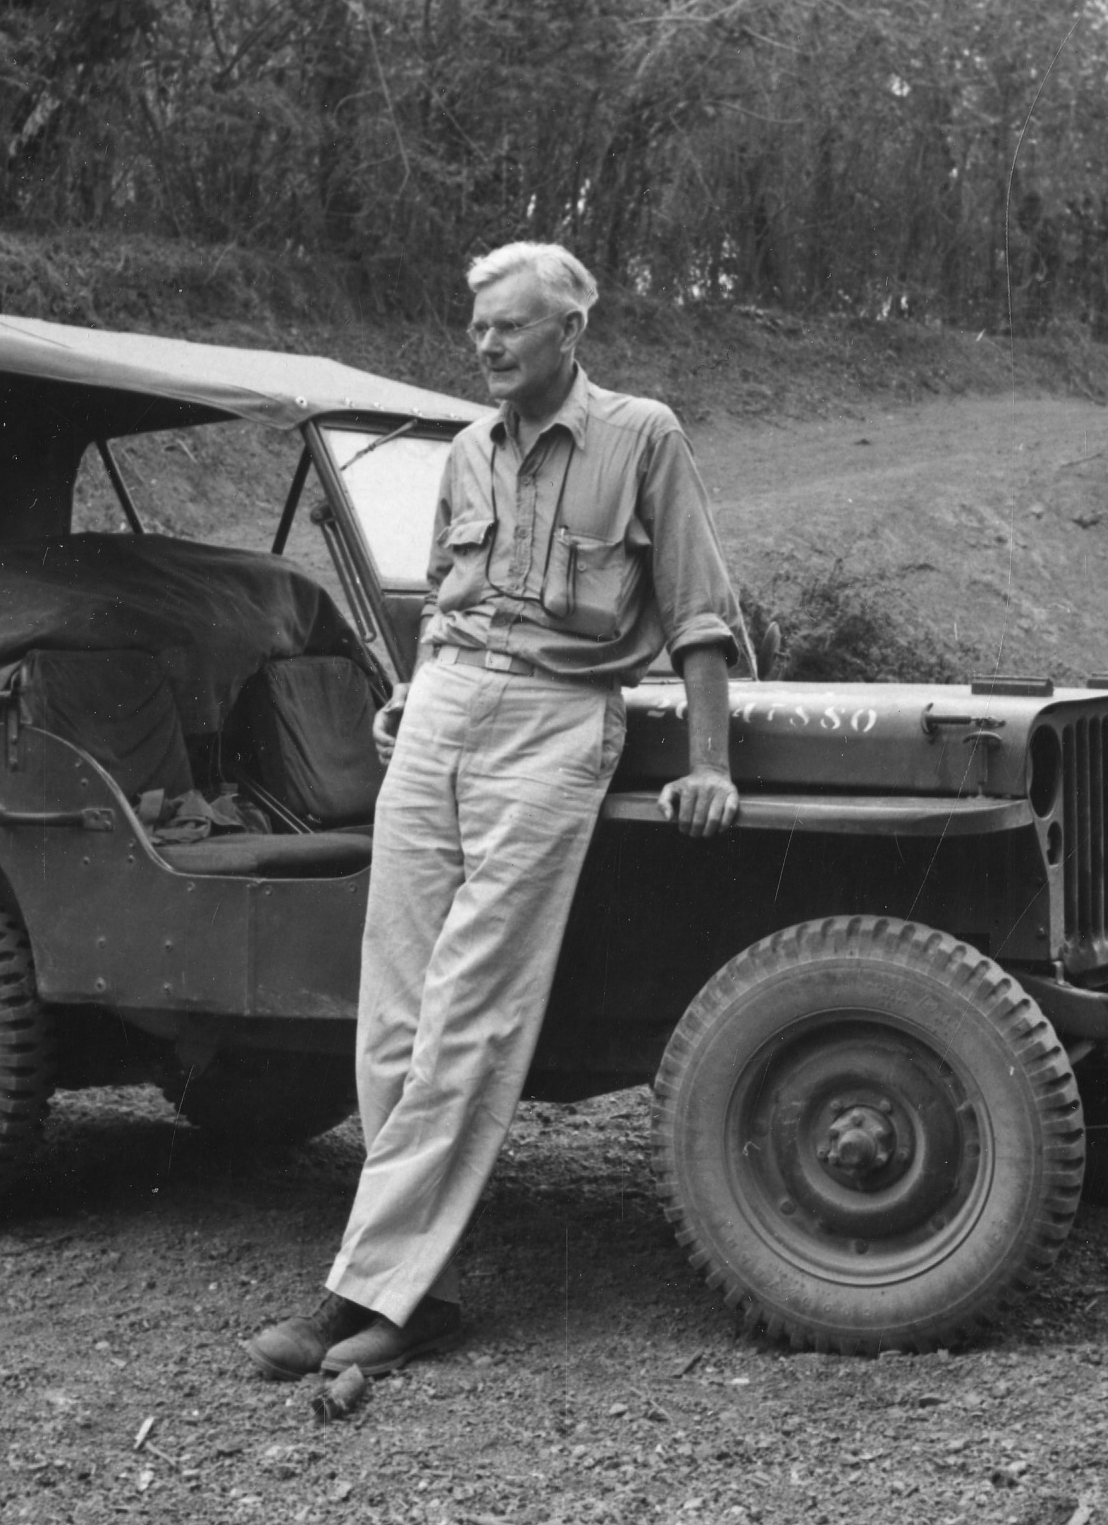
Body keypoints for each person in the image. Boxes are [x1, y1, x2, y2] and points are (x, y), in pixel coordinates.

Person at [247, 241, 747, 1381]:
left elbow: (699, 613)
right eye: (476, 327)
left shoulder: (641, 435)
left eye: (508, 326)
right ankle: (412, 1293)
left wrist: (710, 762)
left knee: (470, 1011)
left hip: (555, 721)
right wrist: (414, 692)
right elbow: (445, 599)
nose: (485, 345)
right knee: (391, 1015)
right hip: (439, 721)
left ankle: (360, 1293)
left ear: (569, 331)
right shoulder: (467, 449)